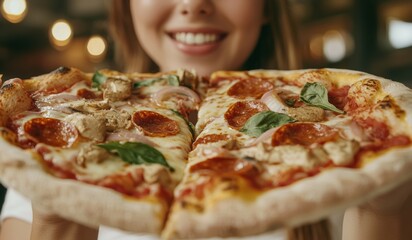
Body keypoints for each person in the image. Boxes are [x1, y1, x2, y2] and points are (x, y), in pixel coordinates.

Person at [1, 0, 412, 240]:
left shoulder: (354, 137)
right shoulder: (42, 145)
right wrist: (58, 216)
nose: (195, 4)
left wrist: (388, 209)